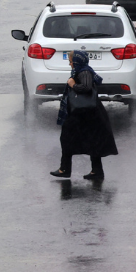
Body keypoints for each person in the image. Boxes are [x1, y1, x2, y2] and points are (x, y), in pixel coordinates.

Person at [51, 50, 118, 180]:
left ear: (76, 61)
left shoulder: (84, 72)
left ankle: (66, 169)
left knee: (68, 138)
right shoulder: (80, 71)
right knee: (89, 140)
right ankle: (94, 171)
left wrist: (73, 85)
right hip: (85, 113)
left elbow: (86, 88)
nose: (70, 64)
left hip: (87, 113)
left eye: (71, 61)